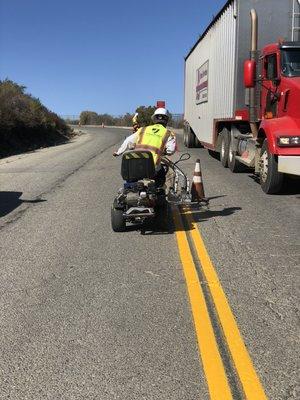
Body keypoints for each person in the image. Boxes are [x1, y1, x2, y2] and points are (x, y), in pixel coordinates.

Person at [113, 107, 176, 186]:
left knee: (131, 181)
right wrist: (164, 152)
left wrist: (118, 152)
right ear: (166, 120)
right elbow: (171, 150)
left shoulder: (143, 129)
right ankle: (159, 195)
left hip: (135, 165)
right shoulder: (168, 133)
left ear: (154, 119)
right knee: (161, 176)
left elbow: (127, 141)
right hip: (153, 168)